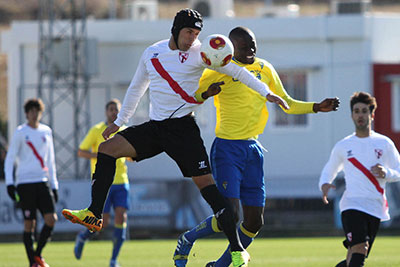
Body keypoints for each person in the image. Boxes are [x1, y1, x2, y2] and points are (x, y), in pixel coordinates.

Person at [62, 9, 289, 267]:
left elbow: (238, 72)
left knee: (210, 191)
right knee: (106, 149)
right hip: (156, 129)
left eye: (196, 33)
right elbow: (136, 88)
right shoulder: (152, 53)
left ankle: (237, 251)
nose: (192, 38)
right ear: (176, 29)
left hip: (183, 131)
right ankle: (94, 213)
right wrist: (119, 122)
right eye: (188, 32)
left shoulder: (203, 53)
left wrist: (267, 92)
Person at [173, 26, 340, 267]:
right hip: (227, 149)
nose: (250, 49)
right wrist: (206, 94)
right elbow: (191, 97)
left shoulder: (265, 68)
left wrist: (316, 106)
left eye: (253, 44)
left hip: (253, 150)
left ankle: (219, 265)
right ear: (232, 49)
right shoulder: (218, 70)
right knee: (228, 215)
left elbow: (287, 103)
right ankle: (188, 238)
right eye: (244, 46)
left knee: (254, 222)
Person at [319, 92, 400, 267]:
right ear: (352, 115)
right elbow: (330, 168)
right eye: (356, 111)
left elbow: (398, 171)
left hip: (375, 207)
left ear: (371, 115)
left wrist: (386, 172)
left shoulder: (384, 143)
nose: (360, 115)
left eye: (364, 111)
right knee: (360, 247)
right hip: (352, 205)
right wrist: (324, 183)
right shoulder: (344, 145)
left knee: (355, 254)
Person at [73, 99, 129, 267]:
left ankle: (113, 260)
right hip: (103, 182)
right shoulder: (97, 130)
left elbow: (130, 154)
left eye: (116, 110)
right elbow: (81, 151)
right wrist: (100, 156)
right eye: (111, 109)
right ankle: (83, 237)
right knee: (101, 223)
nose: (114, 112)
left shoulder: (124, 131)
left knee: (121, 216)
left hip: (121, 181)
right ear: (106, 112)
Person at [4, 98, 58, 267]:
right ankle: (32, 263)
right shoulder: (20, 132)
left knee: (51, 219)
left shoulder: (46, 132)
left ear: (40, 113)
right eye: (31, 111)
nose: (34, 115)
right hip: (25, 183)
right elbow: (10, 158)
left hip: (42, 182)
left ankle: (37, 255)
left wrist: (54, 185)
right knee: (30, 223)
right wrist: (10, 183)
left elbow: (51, 161)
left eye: (37, 111)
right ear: (26, 114)